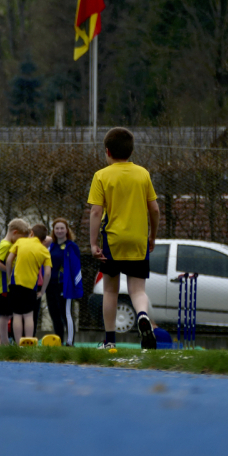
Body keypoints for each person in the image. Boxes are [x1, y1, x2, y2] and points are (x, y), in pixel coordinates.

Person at [88, 127, 160, 350]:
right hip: (138, 240)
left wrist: (93, 243)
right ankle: (142, 316)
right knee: (137, 290)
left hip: (113, 241)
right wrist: (152, 236)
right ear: (131, 151)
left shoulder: (101, 176)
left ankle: (110, 341)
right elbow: (155, 209)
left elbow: (96, 212)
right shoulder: (143, 174)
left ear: (107, 151)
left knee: (110, 290)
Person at [5, 224, 52, 345]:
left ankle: (18, 343)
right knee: (28, 315)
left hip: (16, 283)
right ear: (43, 239)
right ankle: (29, 342)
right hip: (31, 286)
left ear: (31, 233)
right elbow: (47, 273)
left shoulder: (20, 242)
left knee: (17, 315)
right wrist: (42, 290)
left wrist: (9, 276)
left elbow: (9, 260)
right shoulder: (44, 251)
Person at [0, 219, 30, 346]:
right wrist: (11, 271)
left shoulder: (8, 245)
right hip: (4, 287)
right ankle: (5, 342)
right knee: (4, 316)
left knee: (6, 315)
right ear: (15, 232)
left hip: (7, 287)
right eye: (21, 237)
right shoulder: (6, 245)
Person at [47, 218, 83, 346]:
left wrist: (76, 287)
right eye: (57, 228)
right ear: (53, 230)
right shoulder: (51, 246)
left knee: (66, 313)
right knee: (54, 314)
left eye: (62, 228)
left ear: (67, 230)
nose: (59, 231)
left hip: (64, 285)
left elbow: (76, 267)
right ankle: (59, 341)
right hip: (50, 285)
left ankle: (70, 342)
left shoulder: (71, 246)